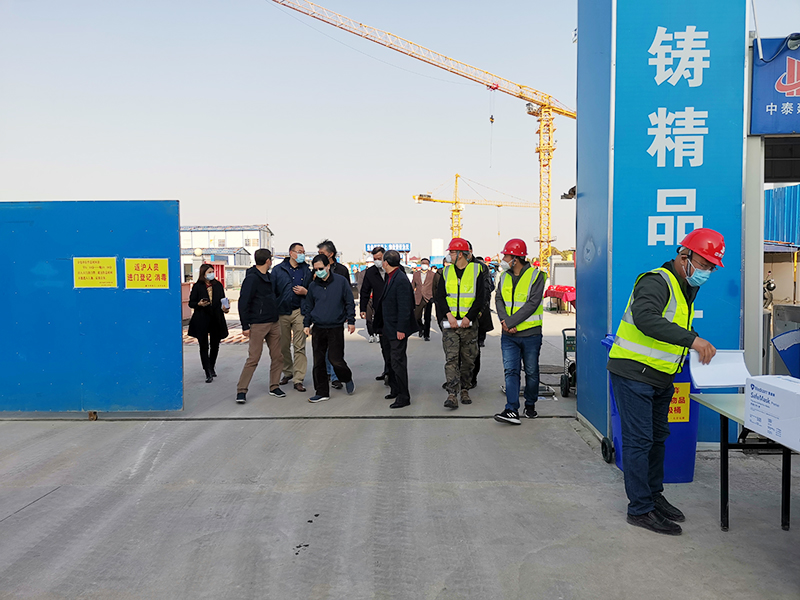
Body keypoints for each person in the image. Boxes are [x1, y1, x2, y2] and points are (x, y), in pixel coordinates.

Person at [608, 228, 725, 536]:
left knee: (658, 437)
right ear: (684, 256)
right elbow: (645, 318)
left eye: (712, 267)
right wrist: (693, 341)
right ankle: (640, 509)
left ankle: (653, 496)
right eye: (704, 264)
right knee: (639, 441)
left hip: (660, 375)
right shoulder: (656, 281)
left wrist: (692, 337)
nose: (707, 272)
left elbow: (673, 324)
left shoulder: (685, 287)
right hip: (634, 373)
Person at [492, 239, 546, 425]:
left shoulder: (537, 276)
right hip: (509, 336)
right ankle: (511, 409)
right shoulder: (503, 276)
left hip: (530, 334)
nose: (504, 259)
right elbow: (498, 299)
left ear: (516, 258)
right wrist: (504, 322)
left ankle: (530, 405)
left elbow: (533, 303)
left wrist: (511, 321)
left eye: (506, 256)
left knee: (531, 372)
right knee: (511, 371)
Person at [434, 237, 486, 409]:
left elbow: (480, 297)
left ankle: (465, 389)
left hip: (469, 324)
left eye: (452, 252)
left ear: (461, 254)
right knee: (451, 359)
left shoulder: (477, 270)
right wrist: (448, 315)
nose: (449, 255)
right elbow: (440, 297)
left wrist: (469, 317)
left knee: (468, 359)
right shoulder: (446, 272)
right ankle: (452, 393)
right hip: (450, 324)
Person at [304, 254, 356, 403]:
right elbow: (308, 306)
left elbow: (349, 302)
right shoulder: (313, 286)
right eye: (315, 269)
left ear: (328, 266)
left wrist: (351, 320)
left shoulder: (341, 282)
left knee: (335, 359)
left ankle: (346, 377)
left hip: (335, 327)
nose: (318, 272)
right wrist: (306, 324)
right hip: (318, 328)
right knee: (318, 362)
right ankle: (322, 392)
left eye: (321, 268)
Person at [236, 249, 285, 404]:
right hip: (258, 323)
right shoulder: (252, 279)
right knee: (253, 358)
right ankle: (241, 390)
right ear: (268, 261)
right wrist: (245, 325)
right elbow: (243, 302)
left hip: (273, 322)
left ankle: (274, 386)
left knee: (278, 356)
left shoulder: (269, 278)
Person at [373, 250, 417, 408]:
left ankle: (404, 396)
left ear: (386, 262)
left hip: (397, 329)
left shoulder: (400, 279)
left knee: (398, 362)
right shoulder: (391, 277)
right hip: (387, 328)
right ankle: (395, 389)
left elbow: (405, 307)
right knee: (390, 360)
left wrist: (401, 329)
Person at [273, 242, 313, 393]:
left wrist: (306, 292)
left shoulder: (307, 271)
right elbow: (272, 291)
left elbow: (313, 291)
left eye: (303, 252)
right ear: (291, 253)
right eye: (299, 251)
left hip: (299, 311)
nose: (302, 254)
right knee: (283, 346)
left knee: (299, 346)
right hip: (282, 312)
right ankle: (288, 371)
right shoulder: (278, 270)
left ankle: (298, 379)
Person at [187, 264, 229, 383]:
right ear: (203, 273)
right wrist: (199, 304)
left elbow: (223, 300)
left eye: (212, 271)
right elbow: (191, 303)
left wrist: (225, 307)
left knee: (215, 344)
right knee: (204, 345)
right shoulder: (197, 286)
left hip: (216, 318)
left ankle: (212, 366)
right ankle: (207, 370)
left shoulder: (218, 285)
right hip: (202, 318)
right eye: (209, 272)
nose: (212, 274)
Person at [317, 239, 350, 389]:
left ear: (330, 254)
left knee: (335, 349)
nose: (319, 255)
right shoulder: (317, 270)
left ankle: (337, 376)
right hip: (321, 316)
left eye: (321, 253)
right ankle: (328, 373)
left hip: (337, 315)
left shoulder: (342, 271)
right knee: (323, 348)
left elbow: (347, 294)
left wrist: (348, 315)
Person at [467, 243, 495, 388]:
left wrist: (478, 312)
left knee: (473, 349)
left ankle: (472, 377)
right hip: (456, 317)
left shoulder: (480, 267)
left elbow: (486, 291)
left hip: (476, 315)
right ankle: (456, 378)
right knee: (455, 351)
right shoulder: (451, 269)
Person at [359, 247, 387, 350]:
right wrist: (362, 308)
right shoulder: (370, 272)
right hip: (379, 308)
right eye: (375, 259)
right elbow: (365, 291)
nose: (377, 261)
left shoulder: (396, 269)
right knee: (384, 344)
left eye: (379, 258)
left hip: (394, 309)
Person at [411, 258, 434, 341]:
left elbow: (435, 286)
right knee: (416, 316)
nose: (424, 265)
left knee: (427, 318)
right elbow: (413, 285)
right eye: (423, 263)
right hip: (418, 297)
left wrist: (434, 297)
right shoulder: (416, 274)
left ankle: (426, 335)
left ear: (428, 265)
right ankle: (421, 328)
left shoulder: (432, 275)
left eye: (426, 263)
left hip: (428, 298)